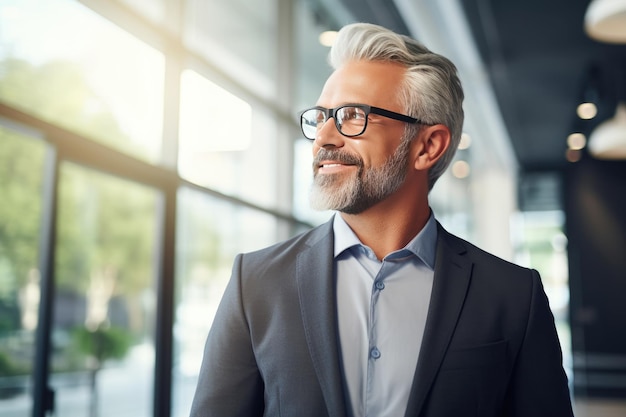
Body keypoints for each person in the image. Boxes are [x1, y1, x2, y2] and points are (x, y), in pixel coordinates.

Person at [190, 22, 574, 417]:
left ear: (427, 146)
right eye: (321, 116)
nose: (323, 137)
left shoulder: (513, 297)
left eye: (352, 115)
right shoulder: (255, 283)